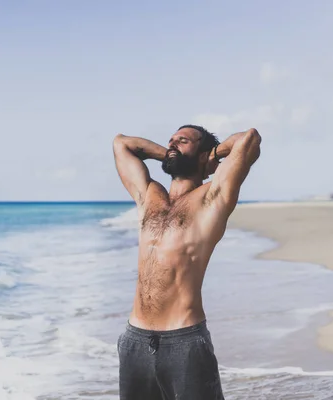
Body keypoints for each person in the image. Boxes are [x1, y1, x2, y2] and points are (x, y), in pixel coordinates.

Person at [112, 125, 262, 399]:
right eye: (171, 140)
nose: (172, 144)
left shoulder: (212, 198)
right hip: (135, 341)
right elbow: (122, 144)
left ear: (203, 152)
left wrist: (211, 156)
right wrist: (170, 153)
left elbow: (248, 139)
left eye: (183, 141)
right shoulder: (149, 196)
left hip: (184, 342)